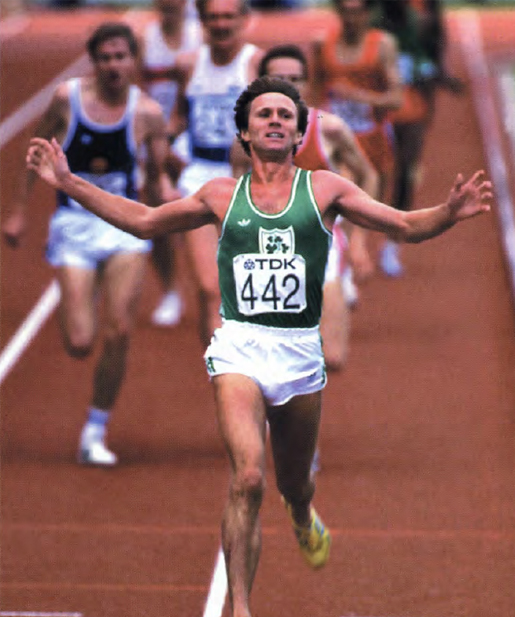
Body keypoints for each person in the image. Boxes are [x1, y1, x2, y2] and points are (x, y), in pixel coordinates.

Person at [26, 76, 492, 617]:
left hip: (298, 353)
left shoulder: (325, 189)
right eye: (264, 115)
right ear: (244, 132)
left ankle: (302, 513)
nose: (275, 121)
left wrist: (448, 214)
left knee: (293, 482)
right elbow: (144, 221)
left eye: (285, 115)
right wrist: (68, 182)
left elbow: (400, 225)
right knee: (247, 477)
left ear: (300, 133)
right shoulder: (220, 195)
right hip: (240, 346)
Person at [2, 22, 172, 467]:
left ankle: (95, 427)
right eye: (106, 57)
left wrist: (165, 191)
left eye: (122, 57)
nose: (114, 66)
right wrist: (19, 210)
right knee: (79, 341)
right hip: (74, 226)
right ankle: (84, 289)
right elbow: (36, 152)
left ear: (133, 60)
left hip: (122, 227)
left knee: (118, 330)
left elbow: (156, 174)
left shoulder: (147, 113)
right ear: (94, 62)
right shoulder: (67, 100)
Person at [232, 43, 379, 370]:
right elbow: (236, 196)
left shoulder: (330, 128)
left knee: (333, 359)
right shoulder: (245, 139)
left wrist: (358, 242)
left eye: (294, 79)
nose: (287, 86)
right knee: (268, 358)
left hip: (322, 243)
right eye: (277, 78)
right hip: (267, 250)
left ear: (306, 84)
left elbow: (368, 176)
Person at [169, 0, 263, 345]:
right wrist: (167, 163)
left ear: (243, 20)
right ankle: (220, 370)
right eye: (213, 17)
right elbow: (178, 119)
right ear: (203, 22)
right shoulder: (187, 64)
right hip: (199, 178)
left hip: (248, 182)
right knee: (210, 287)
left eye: (228, 16)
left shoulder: (255, 63)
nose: (221, 24)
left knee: (244, 286)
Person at [314, 0, 404, 277]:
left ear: (368, 13)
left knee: (370, 202)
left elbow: (396, 98)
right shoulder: (322, 44)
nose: (351, 18)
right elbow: (312, 90)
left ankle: (368, 248)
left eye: (357, 11)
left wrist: (359, 96)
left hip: (372, 137)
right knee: (341, 195)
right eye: (346, 11)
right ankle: (347, 264)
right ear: (338, 11)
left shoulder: (382, 45)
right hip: (337, 138)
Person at [140, 0, 203, 327]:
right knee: (157, 217)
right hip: (154, 139)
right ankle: (170, 291)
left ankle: (210, 287)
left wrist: (180, 128)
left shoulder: (199, 35)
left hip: (191, 137)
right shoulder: (145, 39)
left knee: (203, 215)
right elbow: (136, 86)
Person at [374, 0, 464, 217]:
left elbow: (434, 47)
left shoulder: (424, 19)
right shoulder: (376, 21)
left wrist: (440, 74)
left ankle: (398, 219)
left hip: (413, 100)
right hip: (383, 103)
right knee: (382, 162)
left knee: (406, 161)